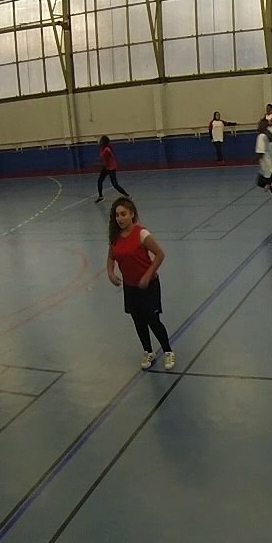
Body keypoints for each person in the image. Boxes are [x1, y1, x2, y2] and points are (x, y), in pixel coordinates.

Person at [107, 197, 175, 371]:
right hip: (130, 288)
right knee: (138, 322)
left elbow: (160, 254)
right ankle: (148, 351)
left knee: (153, 320)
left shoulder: (142, 234)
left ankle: (168, 351)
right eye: (117, 215)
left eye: (123, 214)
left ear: (132, 215)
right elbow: (111, 257)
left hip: (149, 286)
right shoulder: (115, 237)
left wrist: (147, 275)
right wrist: (110, 273)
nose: (120, 218)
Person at [95, 135, 130, 203]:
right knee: (99, 181)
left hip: (111, 168)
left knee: (115, 184)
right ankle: (101, 196)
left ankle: (127, 195)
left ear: (104, 142)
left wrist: (99, 164)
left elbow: (106, 163)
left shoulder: (106, 150)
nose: (99, 142)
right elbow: (103, 160)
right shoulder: (102, 149)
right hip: (106, 167)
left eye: (101, 140)